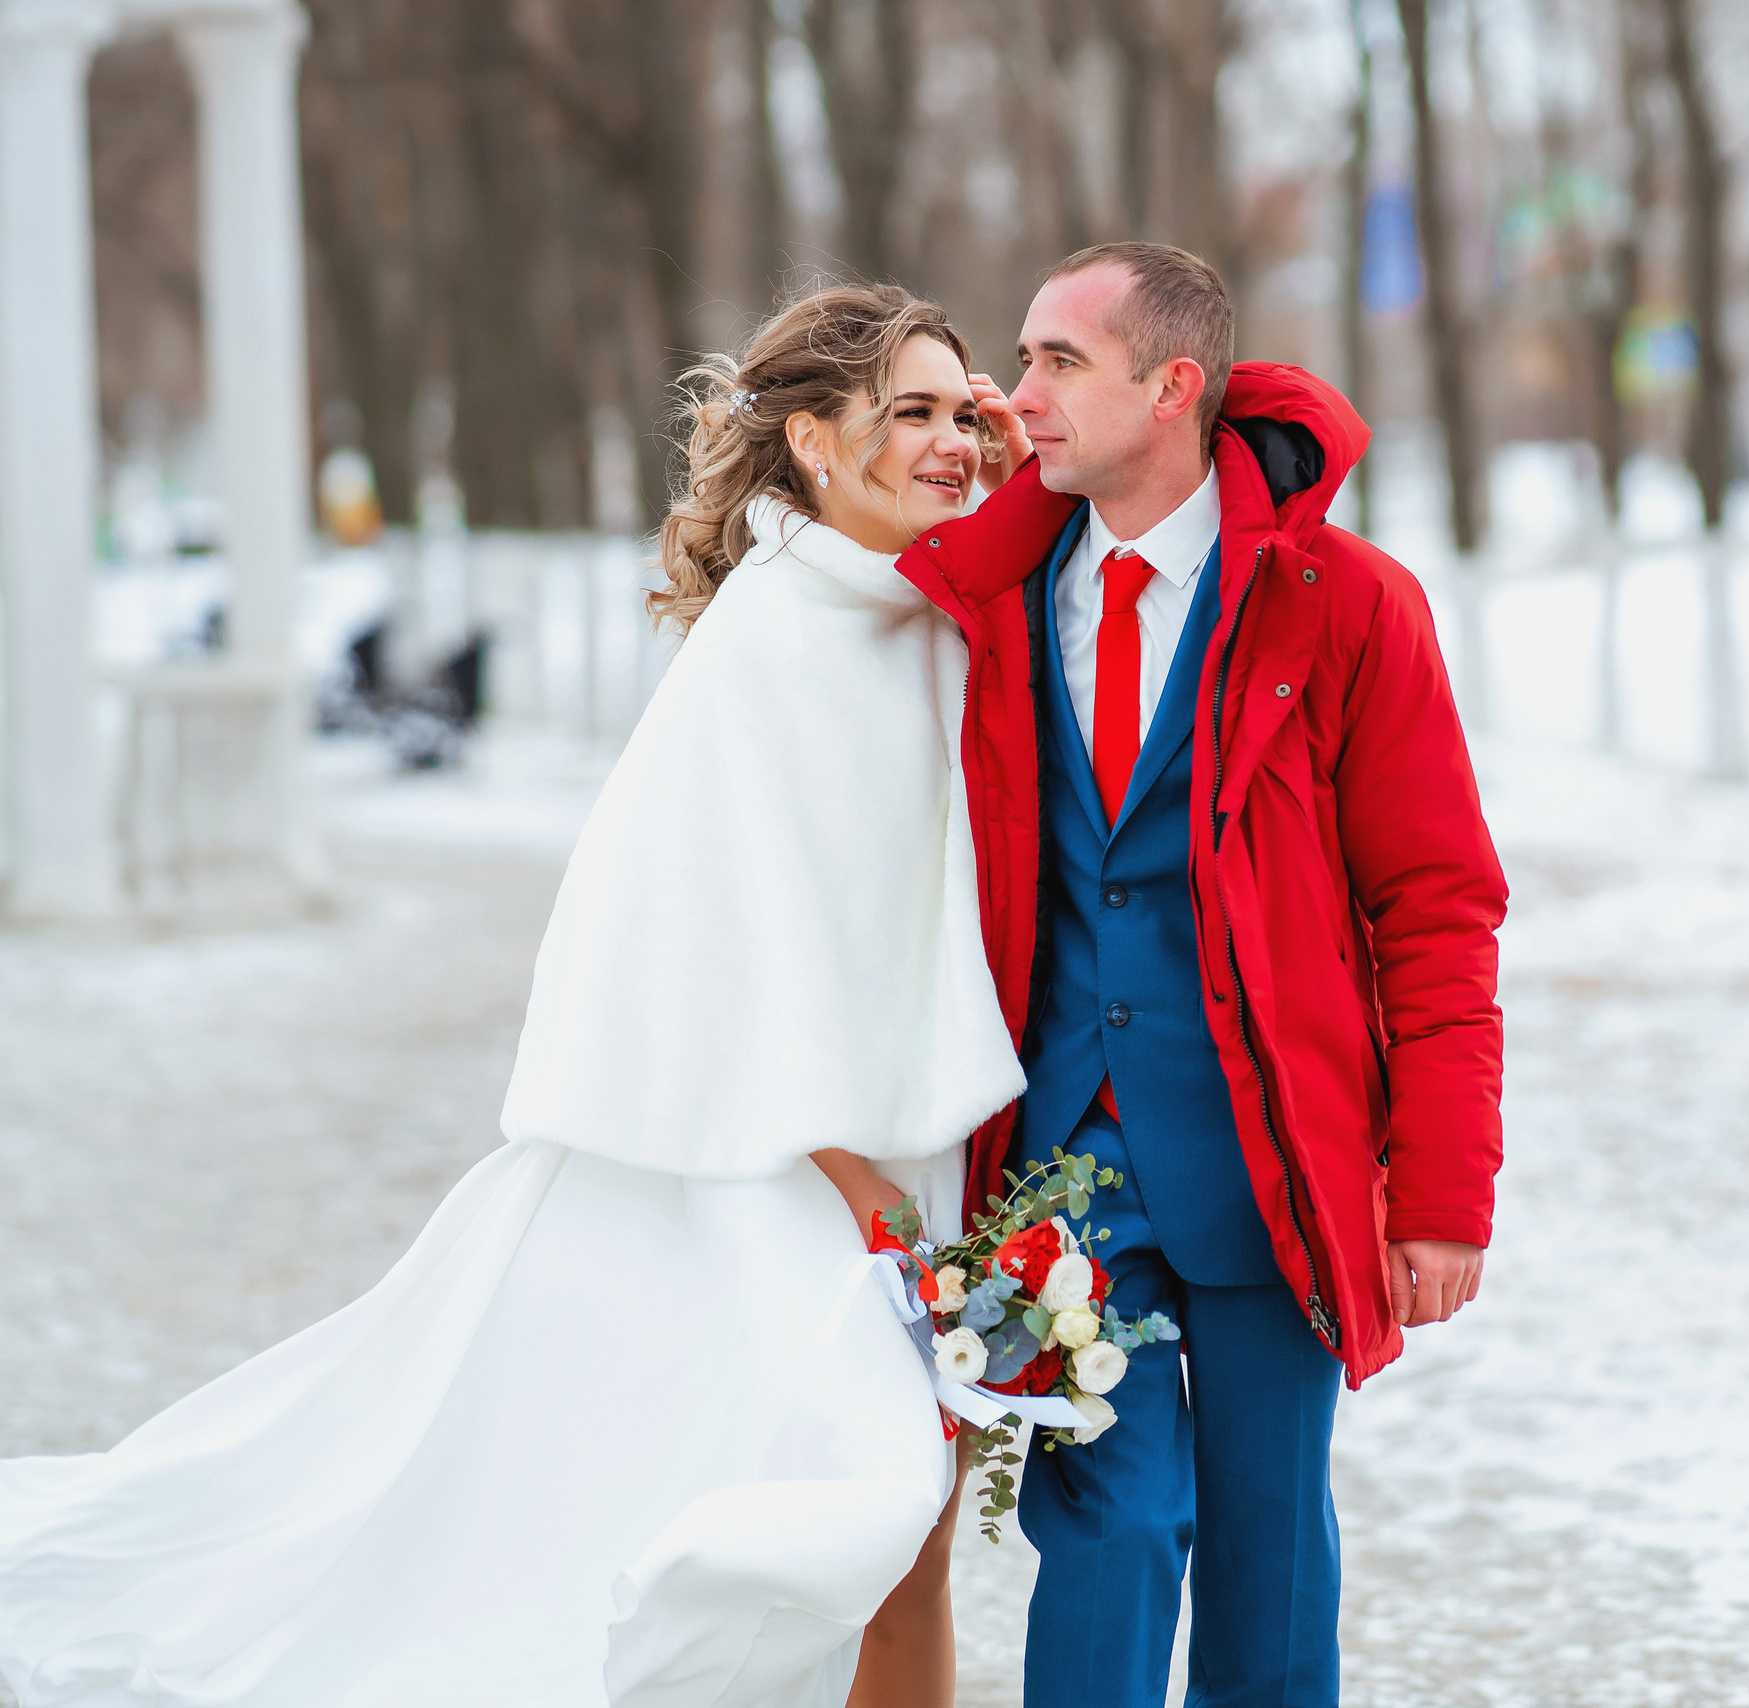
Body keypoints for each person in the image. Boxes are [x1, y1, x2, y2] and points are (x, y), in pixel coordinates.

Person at [0, 283, 1026, 1708]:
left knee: (908, 1547)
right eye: (910, 412)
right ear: (809, 442)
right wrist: (869, 1201)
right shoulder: (770, 643)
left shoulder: (929, 620)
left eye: (964, 412)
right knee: (847, 1523)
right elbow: (709, 951)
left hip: (912, 1169)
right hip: (773, 1176)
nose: (953, 441)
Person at [913, 242, 1507, 1706]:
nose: (1018, 396)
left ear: (1173, 387)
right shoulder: (989, 604)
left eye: (1059, 362)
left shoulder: (1346, 604)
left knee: (1269, 1545)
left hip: (1275, 1157)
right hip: (1059, 1163)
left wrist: (1441, 1196)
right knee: (1110, 1525)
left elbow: (1436, 908)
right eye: (1023, 358)